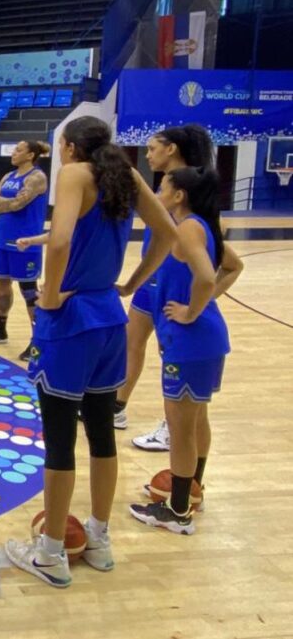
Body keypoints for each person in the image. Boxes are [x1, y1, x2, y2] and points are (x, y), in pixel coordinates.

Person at [4, 116, 177, 589]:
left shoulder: (75, 174)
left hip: (72, 319)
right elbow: (168, 234)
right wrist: (133, 284)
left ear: (70, 146)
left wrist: (52, 294)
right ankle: (99, 540)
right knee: (102, 434)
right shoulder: (127, 173)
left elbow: (59, 241)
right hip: (109, 317)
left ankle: (51, 552)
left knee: (60, 441)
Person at [130, 167, 242, 534]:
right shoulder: (200, 224)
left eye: (162, 187)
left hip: (192, 340)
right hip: (202, 341)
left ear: (179, 196)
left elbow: (209, 277)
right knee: (194, 420)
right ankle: (193, 491)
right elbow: (232, 266)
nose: (158, 192)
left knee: (180, 428)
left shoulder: (189, 227)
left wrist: (191, 310)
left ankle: (178, 511)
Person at [121, 125, 215, 443]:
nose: (148, 155)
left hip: (171, 289)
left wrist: (199, 303)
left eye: (152, 148)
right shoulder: (163, 187)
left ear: (171, 149)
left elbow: (217, 264)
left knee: (174, 359)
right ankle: (117, 406)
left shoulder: (187, 193)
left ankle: (172, 426)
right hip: (153, 283)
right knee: (131, 341)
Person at [0, 140, 51, 361]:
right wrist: (8, 201)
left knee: (29, 292)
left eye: (19, 150)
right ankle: (0, 329)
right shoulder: (8, 176)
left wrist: (4, 202)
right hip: (2, 237)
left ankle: (38, 341)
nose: (14, 153)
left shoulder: (37, 177)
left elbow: (18, 204)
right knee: (2, 286)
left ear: (31, 155)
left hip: (26, 241)